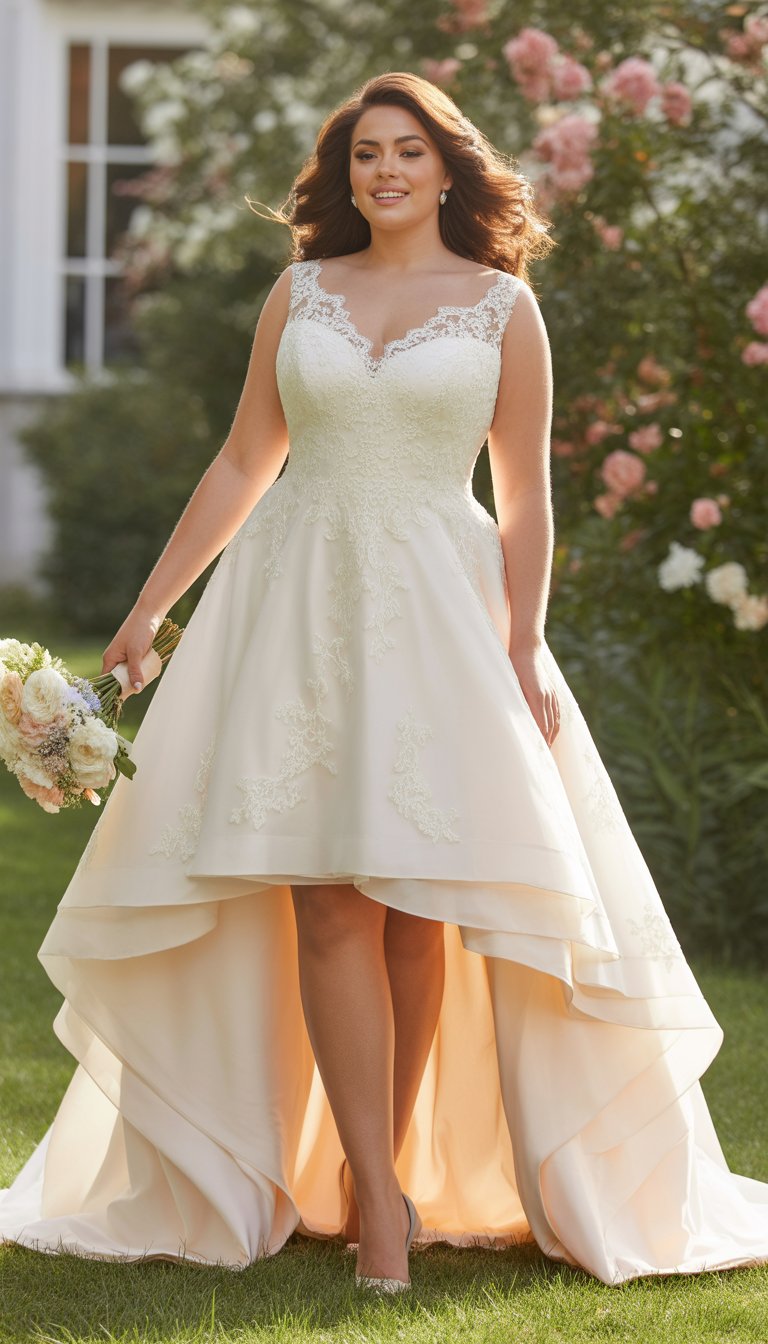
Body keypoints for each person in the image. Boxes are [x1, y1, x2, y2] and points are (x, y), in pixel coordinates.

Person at [1, 70, 767, 1293]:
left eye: (408, 151)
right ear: (343, 174)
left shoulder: (504, 306)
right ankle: (381, 1208)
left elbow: (527, 501)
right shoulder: (297, 291)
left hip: (442, 611)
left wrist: (523, 646)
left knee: (416, 907)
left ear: (449, 169)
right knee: (326, 899)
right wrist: (151, 607)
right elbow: (248, 456)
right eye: (366, 155)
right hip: (293, 599)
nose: (387, 172)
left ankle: (378, 1174)